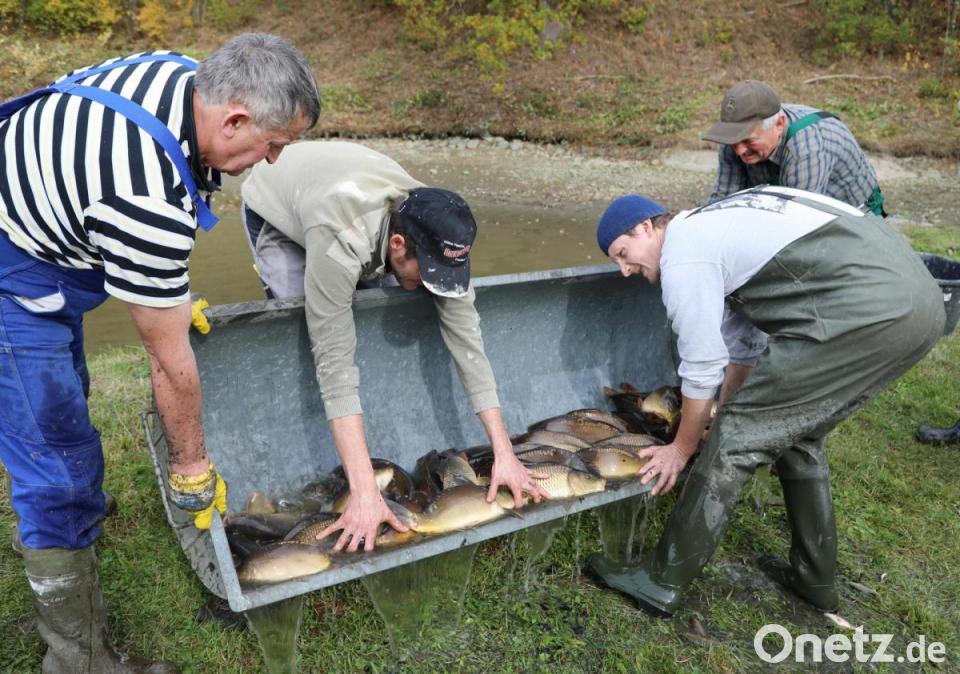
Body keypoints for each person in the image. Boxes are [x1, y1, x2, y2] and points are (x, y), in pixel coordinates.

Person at [0, 33, 320, 672]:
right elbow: (168, 362)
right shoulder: (142, 194)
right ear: (234, 118)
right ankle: (77, 658)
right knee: (54, 459)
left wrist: (167, 293)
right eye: (274, 144)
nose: (273, 160)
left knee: (67, 391)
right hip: (12, 269)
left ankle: (74, 512)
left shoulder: (184, 76)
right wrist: (192, 467)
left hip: (39, 218)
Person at [586, 186, 944, 618]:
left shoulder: (683, 253)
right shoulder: (720, 226)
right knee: (796, 432)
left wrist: (683, 447)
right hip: (921, 304)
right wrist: (723, 414)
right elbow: (743, 345)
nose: (625, 270)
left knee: (735, 438)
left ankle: (660, 583)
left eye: (623, 254)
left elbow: (702, 365)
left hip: (863, 309)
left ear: (646, 227)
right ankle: (814, 580)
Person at [240, 140, 548, 552]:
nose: (432, 283)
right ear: (399, 245)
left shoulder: (440, 230)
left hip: (351, 198)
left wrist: (504, 451)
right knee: (308, 322)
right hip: (281, 204)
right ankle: (341, 466)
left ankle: (358, 450)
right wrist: (365, 492)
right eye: (429, 273)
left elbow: (468, 344)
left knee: (385, 294)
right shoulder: (341, 239)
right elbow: (334, 362)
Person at [703, 80, 886, 216]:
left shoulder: (807, 148)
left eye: (749, 141)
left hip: (854, 213)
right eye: (734, 141)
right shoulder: (734, 139)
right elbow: (723, 201)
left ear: (779, 124)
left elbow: (796, 222)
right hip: (792, 200)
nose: (739, 151)